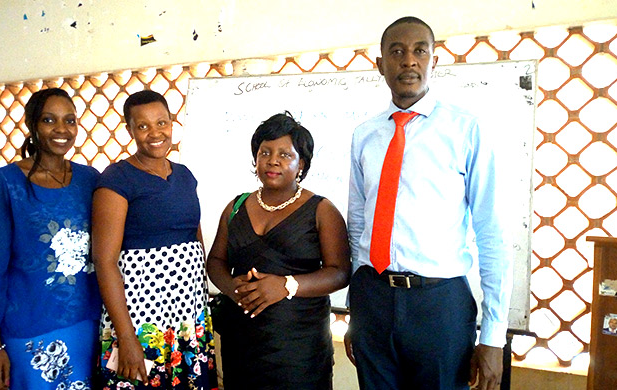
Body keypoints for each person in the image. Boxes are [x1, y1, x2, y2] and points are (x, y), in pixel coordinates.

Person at [345, 16, 513, 390]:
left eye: (420, 51)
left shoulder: (466, 129)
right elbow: (358, 223)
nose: (409, 61)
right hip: (373, 299)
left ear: (434, 62)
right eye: (397, 52)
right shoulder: (364, 135)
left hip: (440, 304)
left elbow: (491, 232)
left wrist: (493, 338)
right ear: (380, 65)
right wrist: (358, 311)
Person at [206, 112, 350, 390]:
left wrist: (287, 285)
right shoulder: (235, 207)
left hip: (298, 346)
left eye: (285, 154)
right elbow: (216, 261)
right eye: (265, 152)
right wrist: (231, 288)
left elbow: (340, 273)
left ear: (301, 165)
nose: (273, 160)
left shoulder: (322, 210)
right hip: (242, 340)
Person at [0, 88, 101, 390]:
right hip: (29, 327)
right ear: (33, 125)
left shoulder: (90, 179)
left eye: (70, 121)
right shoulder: (6, 182)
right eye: (49, 120)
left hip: (89, 323)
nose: (61, 129)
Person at [92, 90, 217, 390]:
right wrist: (126, 337)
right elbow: (104, 261)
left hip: (187, 314)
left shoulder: (185, 176)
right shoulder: (117, 179)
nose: (155, 133)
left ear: (172, 124)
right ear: (130, 130)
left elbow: (193, 236)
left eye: (161, 122)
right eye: (143, 126)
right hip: (140, 318)